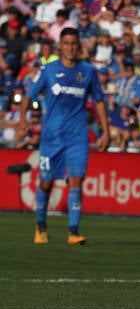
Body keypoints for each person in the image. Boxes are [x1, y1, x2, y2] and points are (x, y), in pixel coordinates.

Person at [17, 28, 110, 244]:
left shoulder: (88, 71)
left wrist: (105, 131)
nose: (70, 47)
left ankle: (73, 232)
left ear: (79, 46)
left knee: (76, 179)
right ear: (60, 46)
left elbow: (99, 101)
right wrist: (23, 120)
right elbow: (28, 96)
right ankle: (41, 227)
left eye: (74, 44)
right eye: (66, 43)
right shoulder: (48, 70)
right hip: (52, 136)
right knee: (46, 183)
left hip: (78, 136)